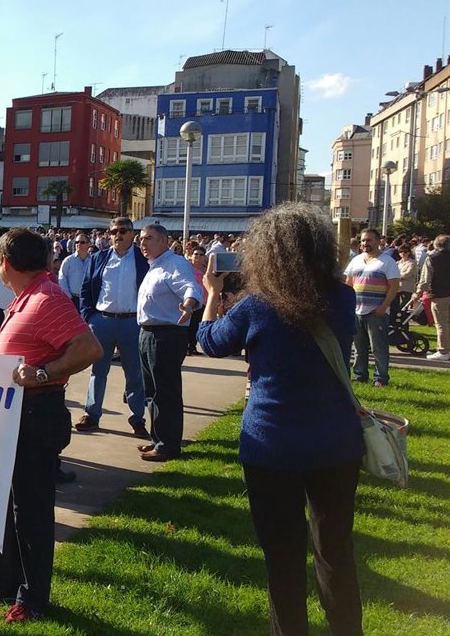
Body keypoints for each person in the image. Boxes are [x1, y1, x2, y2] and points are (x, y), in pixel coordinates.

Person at [198, 203, 364, 636]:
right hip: (335, 441)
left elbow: (209, 342)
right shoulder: (342, 298)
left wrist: (212, 294)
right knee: (336, 551)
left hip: (272, 443)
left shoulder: (256, 307)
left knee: (283, 558)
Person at [0, 228, 102, 623]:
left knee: (31, 509)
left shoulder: (47, 298)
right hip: (13, 415)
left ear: (4, 262)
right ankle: (3, 579)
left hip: (34, 414)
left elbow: (89, 348)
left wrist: (42, 373)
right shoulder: (28, 297)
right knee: (3, 504)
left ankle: (33, 596)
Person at [77, 217, 149, 437]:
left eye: (123, 231)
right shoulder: (99, 258)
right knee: (98, 371)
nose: (118, 235)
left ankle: (137, 418)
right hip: (102, 321)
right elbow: (86, 288)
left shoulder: (143, 259)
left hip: (132, 322)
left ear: (132, 234)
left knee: (134, 373)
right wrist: (89, 317)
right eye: (114, 231)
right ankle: (91, 414)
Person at [134, 224, 201, 462]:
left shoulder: (175, 264)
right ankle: (158, 439)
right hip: (148, 333)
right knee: (152, 392)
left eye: (149, 238)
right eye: (141, 239)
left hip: (165, 335)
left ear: (164, 241)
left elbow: (191, 288)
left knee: (165, 392)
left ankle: (167, 446)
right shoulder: (155, 266)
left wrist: (189, 305)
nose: (143, 243)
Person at [345, 229, 400, 387]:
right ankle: (359, 374)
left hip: (377, 312)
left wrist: (383, 307)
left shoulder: (387, 262)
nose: (365, 243)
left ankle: (380, 378)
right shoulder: (356, 260)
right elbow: (348, 283)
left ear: (378, 241)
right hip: (356, 311)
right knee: (358, 347)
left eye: (369, 240)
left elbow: (394, 286)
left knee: (378, 348)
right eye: (363, 240)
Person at [418, 234, 450, 360]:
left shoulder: (432, 258)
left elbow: (425, 279)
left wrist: (418, 292)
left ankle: (443, 351)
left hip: (439, 294)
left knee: (441, 324)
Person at [57, 234, 93, 309]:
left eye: (82, 242)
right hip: (73, 299)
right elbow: (62, 278)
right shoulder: (68, 260)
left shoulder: (93, 260)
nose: (79, 244)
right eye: (76, 242)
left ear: (88, 244)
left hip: (89, 299)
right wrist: (68, 296)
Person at [186, 246, 209, 356]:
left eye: (201, 254)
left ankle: (193, 346)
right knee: (189, 324)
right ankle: (186, 346)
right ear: (191, 255)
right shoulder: (187, 267)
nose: (198, 256)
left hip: (203, 300)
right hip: (191, 299)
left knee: (197, 325)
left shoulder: (206, 269)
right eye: (196, 254)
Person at [395, 245, 418, 314]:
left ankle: (403, 319)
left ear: (409, 252)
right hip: (397, 287)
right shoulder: (397, 263)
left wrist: (396, 276)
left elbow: (407, 274)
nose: (403, 253)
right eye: (401, 251)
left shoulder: (413, 262)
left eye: (405, 251)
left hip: (407, 288)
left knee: (403, 307)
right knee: (395, 307)